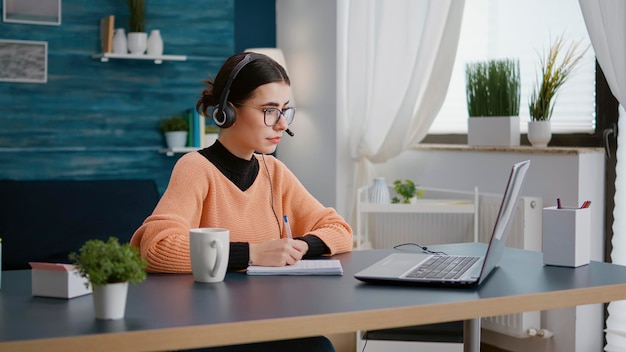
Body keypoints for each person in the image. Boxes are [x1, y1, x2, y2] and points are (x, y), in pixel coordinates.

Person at [130, 52, 353, 352]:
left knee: (319, 347)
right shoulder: (194, 168)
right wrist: (253, 253)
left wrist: (302, 245)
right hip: (207, 327)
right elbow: (157, 248)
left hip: (266, 321)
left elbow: (339, 229)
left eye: (285, 111)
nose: (280, 125)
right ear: (227, 112)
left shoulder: (276, 172)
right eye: (269, 110)